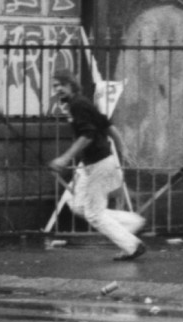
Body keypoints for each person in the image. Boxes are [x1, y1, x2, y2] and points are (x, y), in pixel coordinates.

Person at [49, 73, 146, 260]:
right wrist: (122, 148)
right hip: (91, 163)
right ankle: (132, 222)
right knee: (78, 206)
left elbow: (88, 135)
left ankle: (132, 246)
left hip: (98, 163)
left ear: (71, 85)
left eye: (61, 85)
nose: (58, 89)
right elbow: (107, 125)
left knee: (94, 215)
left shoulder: (78, 105)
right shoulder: (80, 103)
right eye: (55, 86)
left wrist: (64, 158)